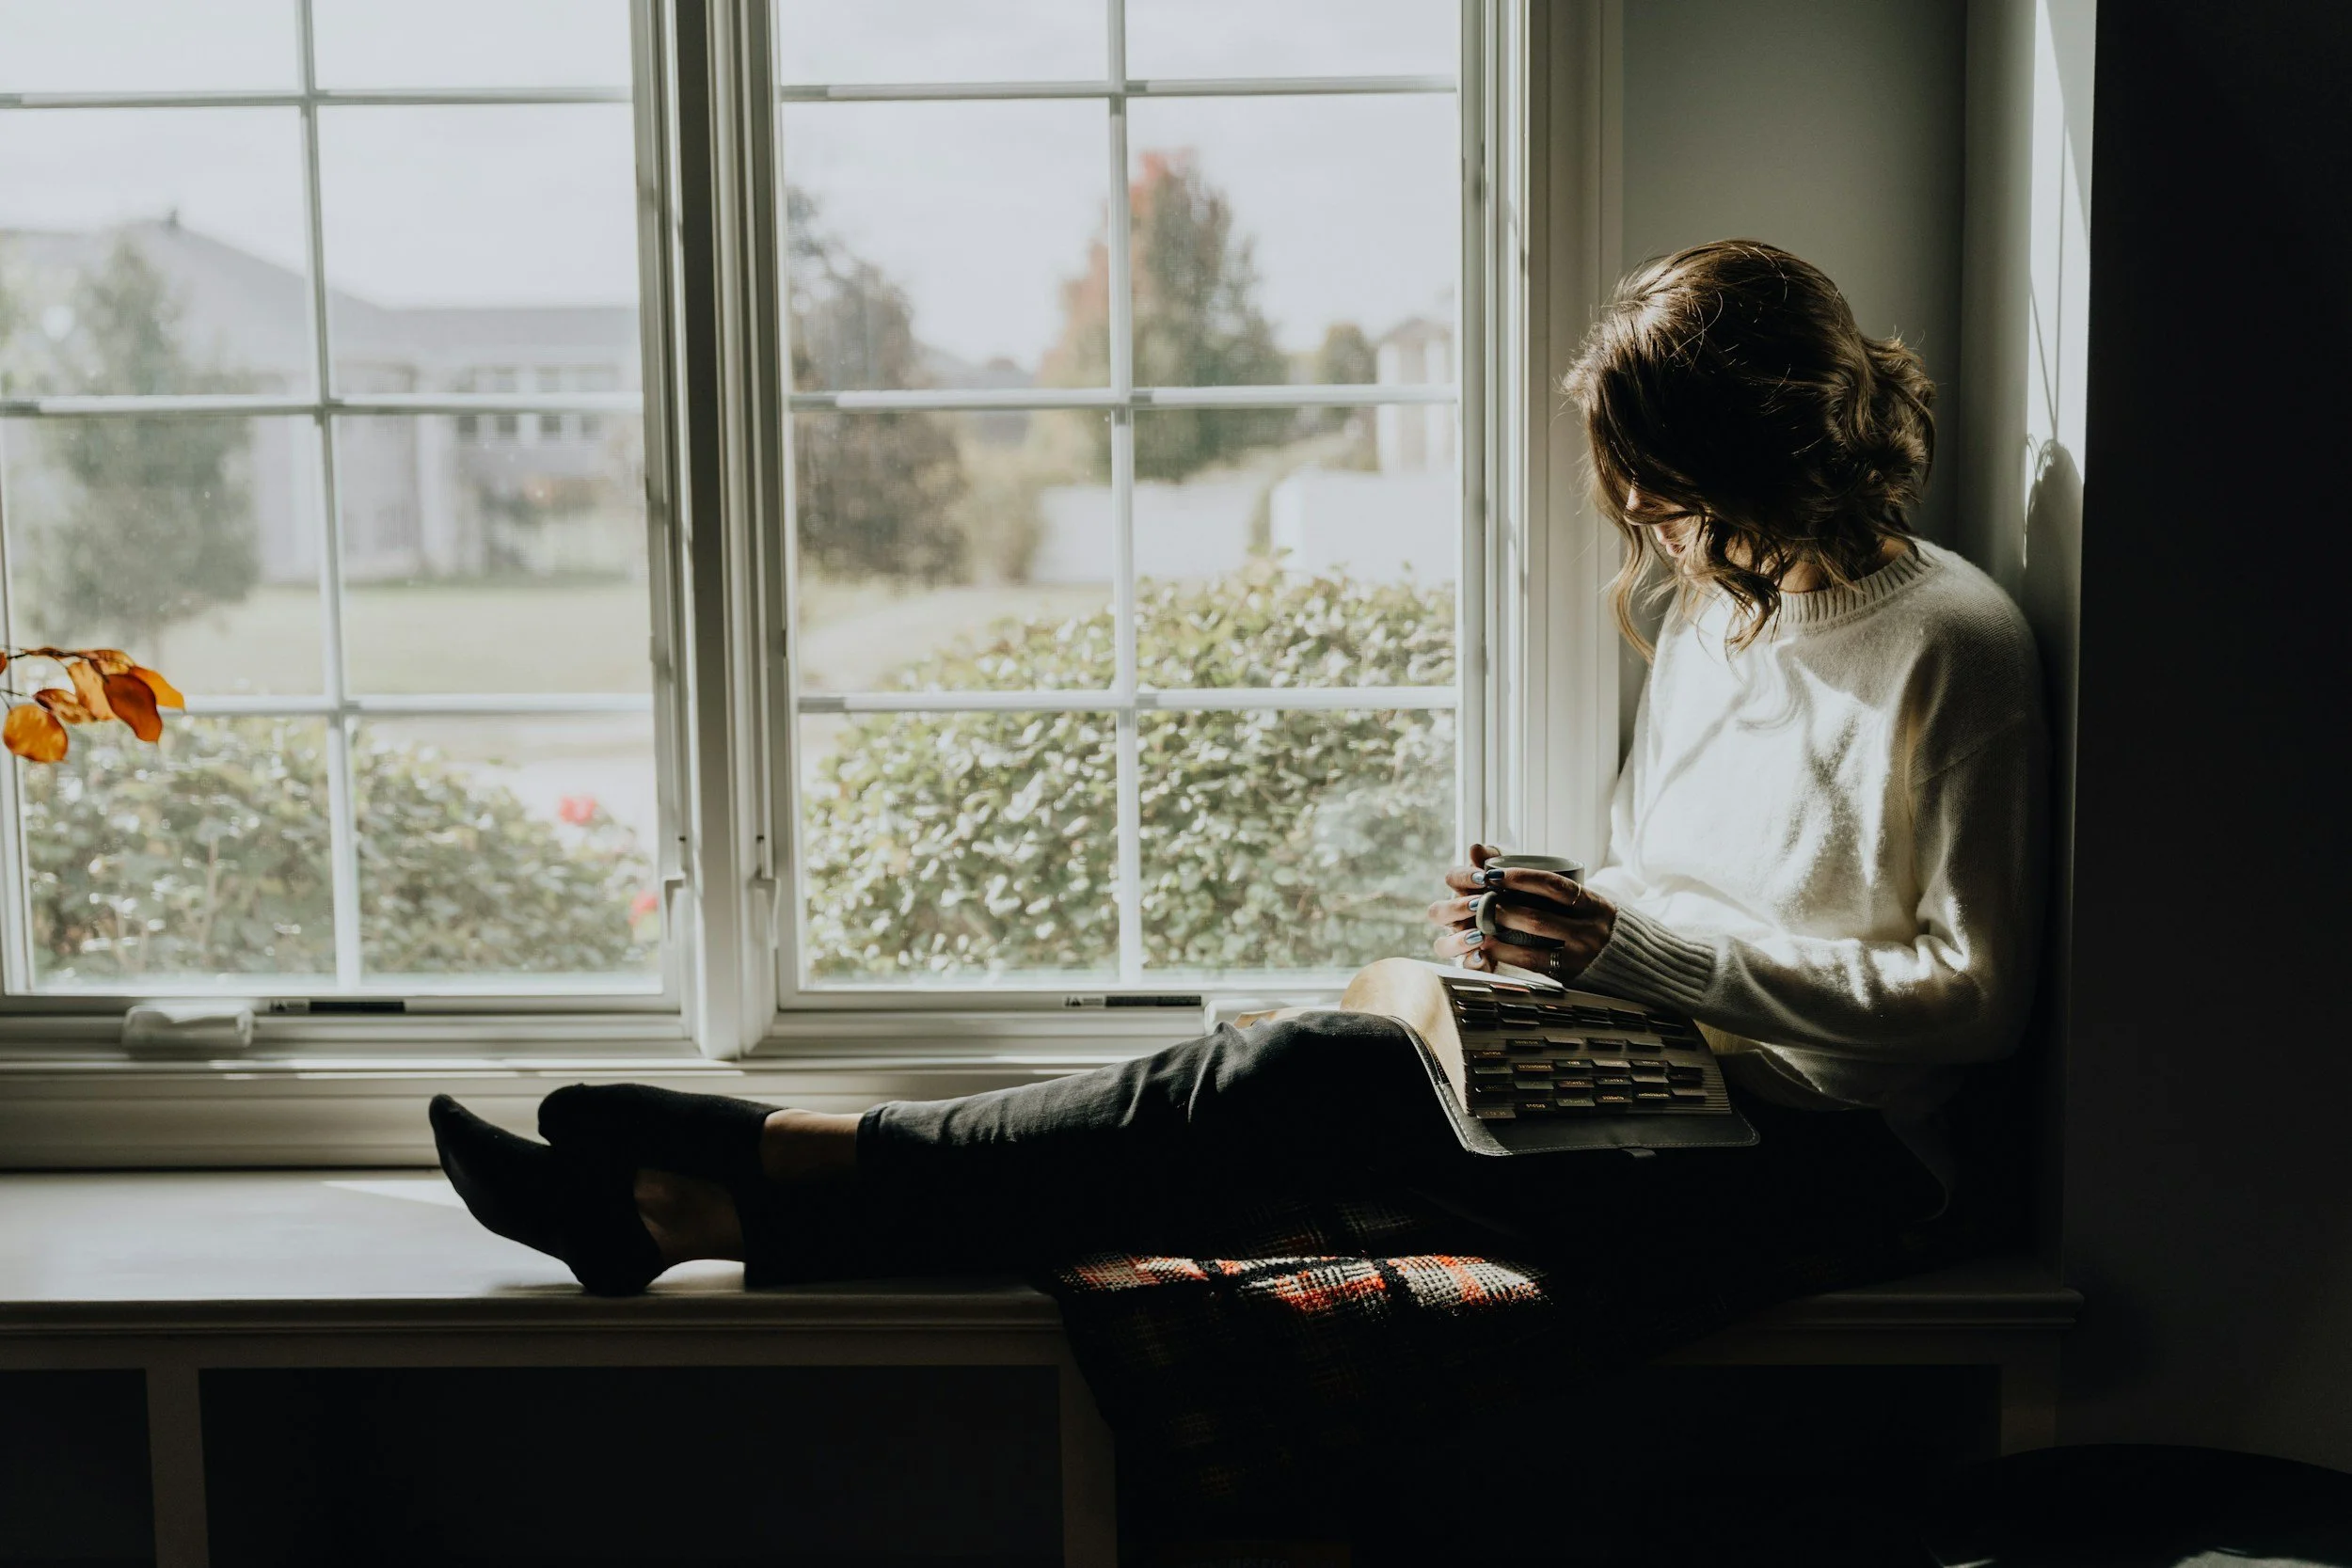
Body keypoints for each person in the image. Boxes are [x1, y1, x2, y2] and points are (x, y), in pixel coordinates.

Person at [430, 239, 2045, 1303]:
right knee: (1293, 1063)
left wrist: (1639, 948)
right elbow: (1677, 894)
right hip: (1668, 1096)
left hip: (1829, 1173)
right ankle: (687, 1210)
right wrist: (1557, 929)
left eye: (1673, 491)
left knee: (1293, 1091)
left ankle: (749, 1150)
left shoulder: (1952, 643)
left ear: (1769, 456)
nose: (1659, 531)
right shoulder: (1718, 611)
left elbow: (1972, 997)